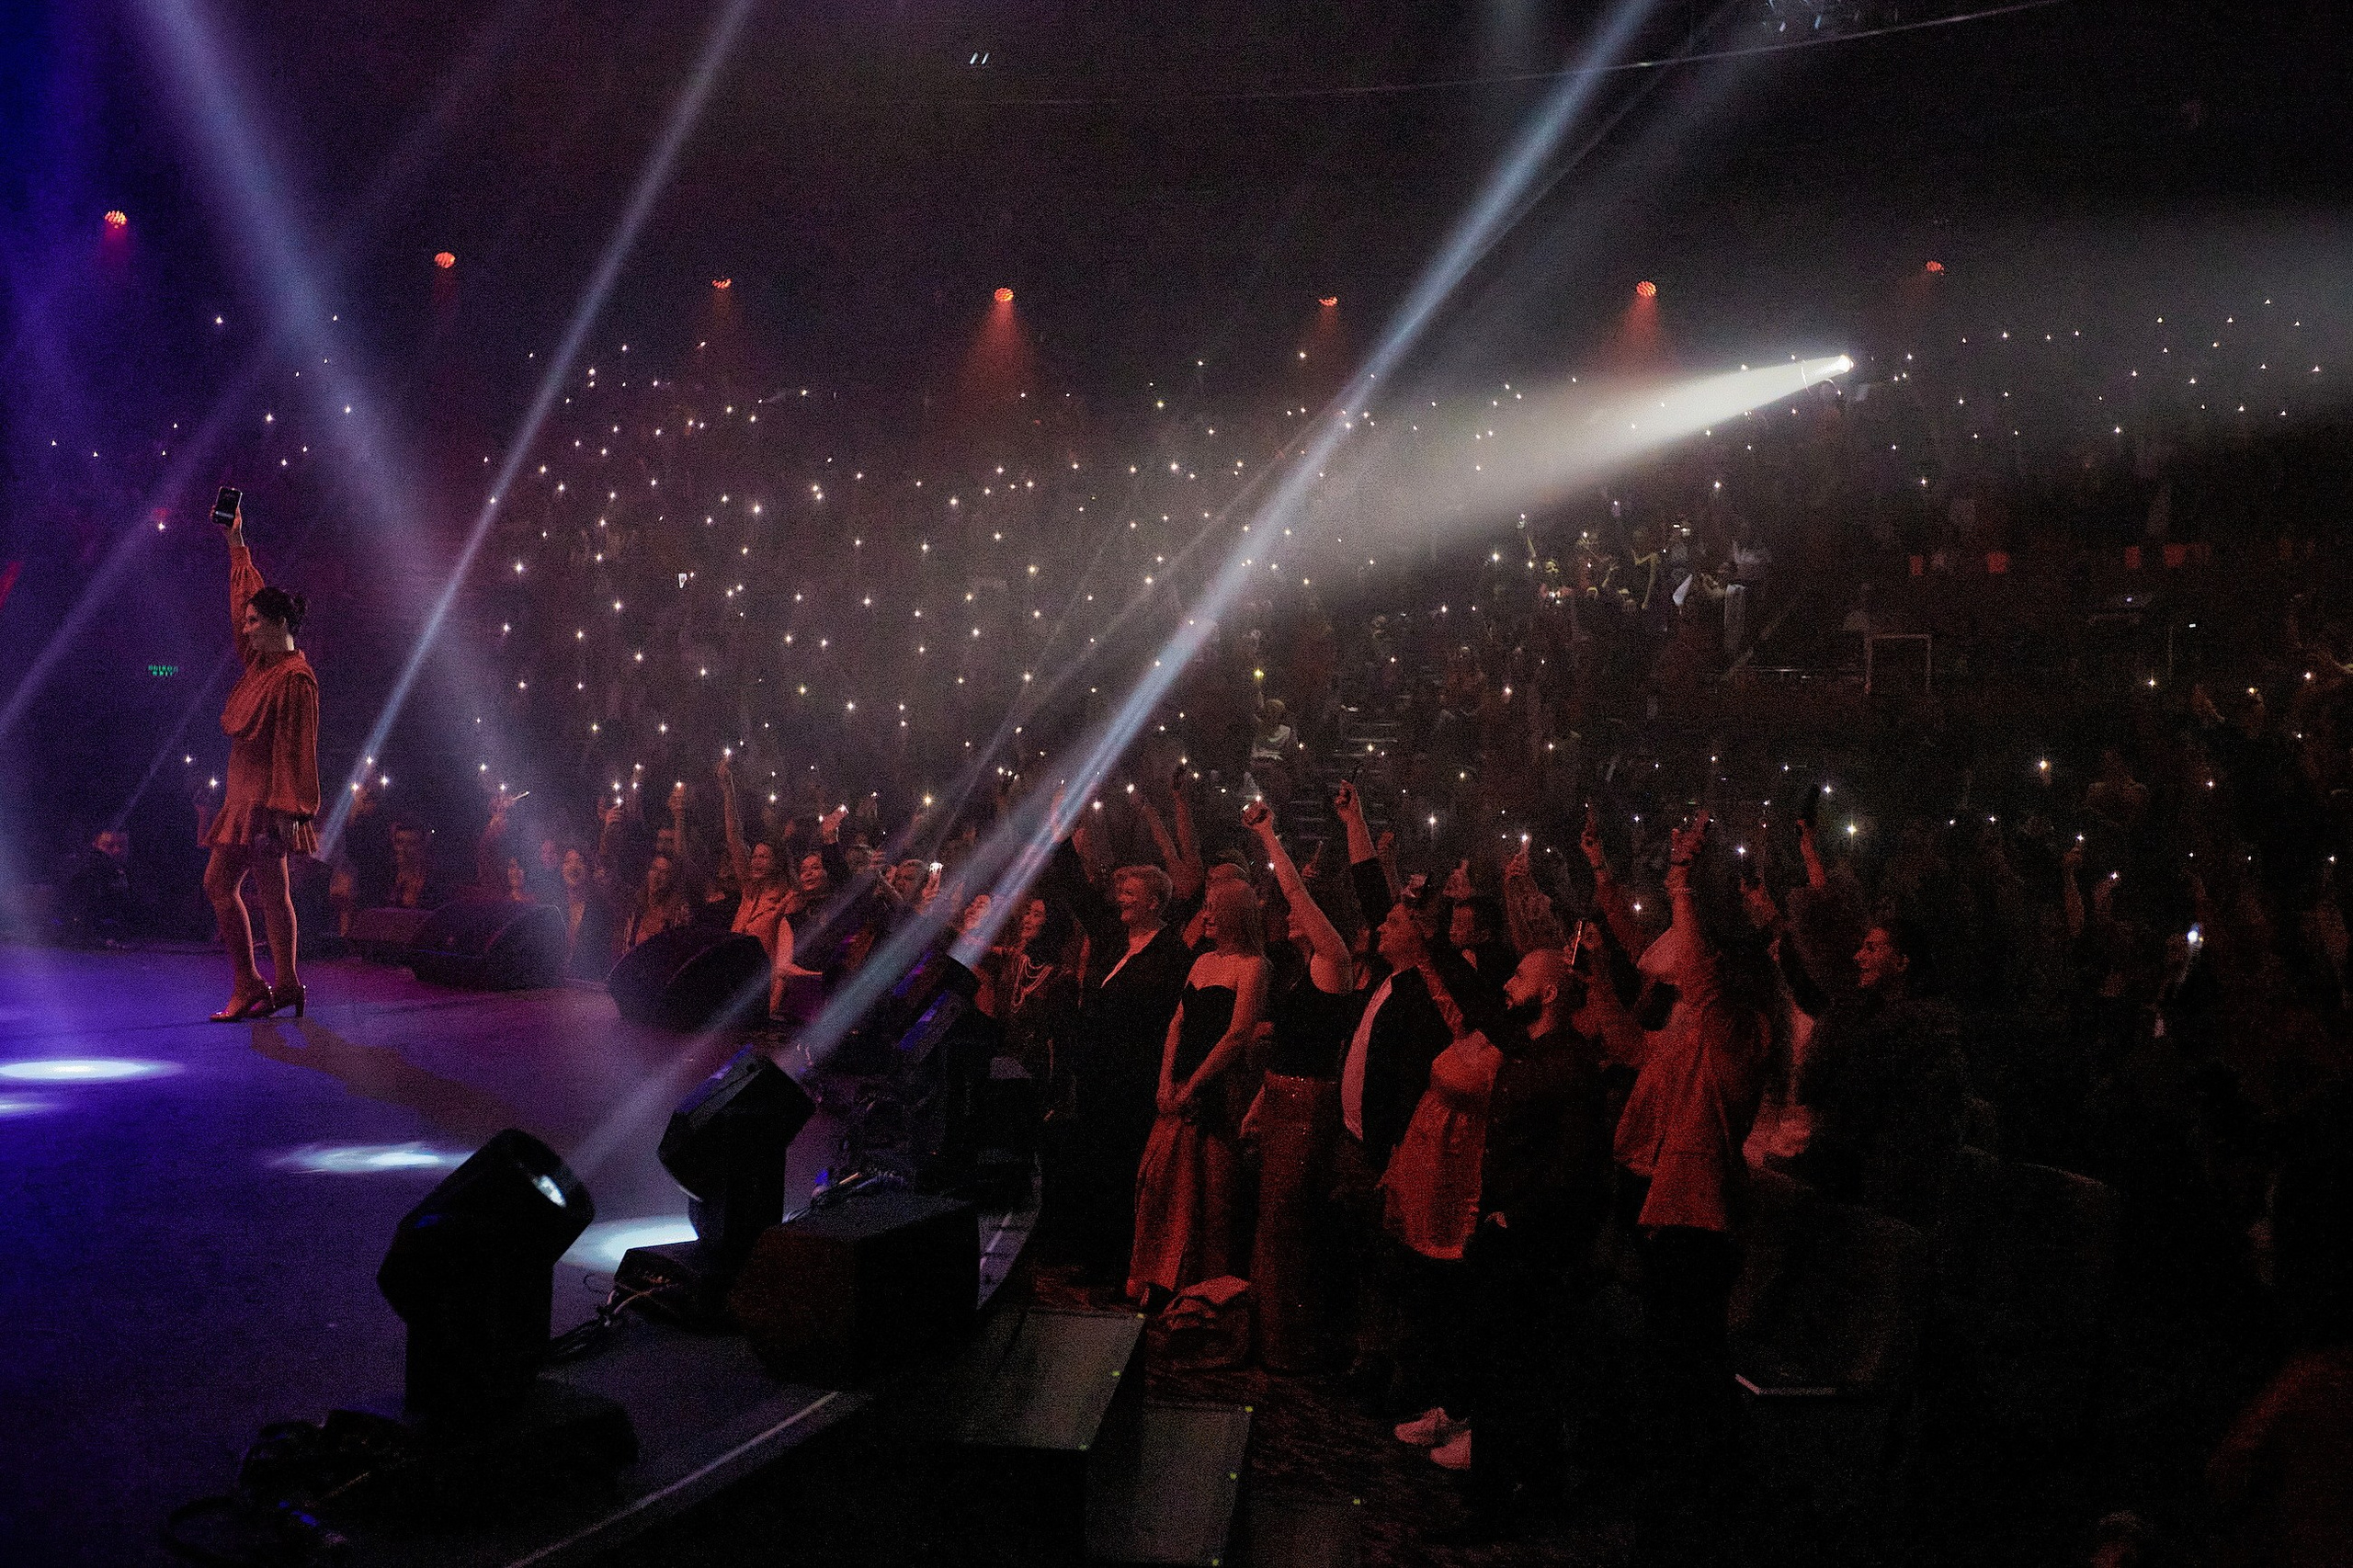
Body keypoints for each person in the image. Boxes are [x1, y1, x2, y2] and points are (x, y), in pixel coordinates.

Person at [1040, 823, 1194, 1288]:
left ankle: (1119, 1266)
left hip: (1136, 1080)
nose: (1121, 898)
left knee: (1122, 1172)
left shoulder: (1172, 953)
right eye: (1121, 891)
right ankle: (1090, 1257)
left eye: (1131, 893)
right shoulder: (1112, 940)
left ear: (1154, 902)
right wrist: (1061, 838)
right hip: (1095, 1078)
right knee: (1092, 1165)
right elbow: (1078, 894)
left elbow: (1175, 1022)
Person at [1241, 799, 1355, 1369]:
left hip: (1309, 1105)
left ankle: (1294, 1348)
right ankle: (1271, 1339)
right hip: (1282, 1096)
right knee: (1272, 1219)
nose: (1288, 914)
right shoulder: (1299, 965)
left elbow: (1294, 892)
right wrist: (1260, 1100)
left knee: (1289, 1224)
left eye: (1302, 909)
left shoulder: (1335, 961)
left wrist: (1269, 835)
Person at [200, 505, 320, 1022]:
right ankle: (281, 984)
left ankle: (257, 983)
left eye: (255, 622)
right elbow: (240, 599)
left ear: (276, 624)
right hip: (247, 797)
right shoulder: (262, 662)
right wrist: (237, 541)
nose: (245, 629)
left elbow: (297, 750)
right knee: (268, 892)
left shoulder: (294, 676)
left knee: (236, 887)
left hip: (265, 802)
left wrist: (288, 812)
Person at [1129, 876, 1270, 1301]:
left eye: (1212, 907)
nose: (1205, 915)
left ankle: (1201, 1294)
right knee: (1162, 1186)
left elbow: (1238, 1034)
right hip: (1180, 1087)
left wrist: (1193, 1085)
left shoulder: (1254, 966)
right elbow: (1177, 1023)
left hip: (1219, 1092)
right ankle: (1161, 1279)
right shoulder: (1202, 961)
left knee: (1210, 1199)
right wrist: (1165, 1080)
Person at [715, 754, 806, 1015]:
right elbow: (734, 836)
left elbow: (782, 960)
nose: (755, 861)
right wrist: (727, 788)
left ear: (777, 862)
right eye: (754, 856)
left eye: (763, 857)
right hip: (727, 983)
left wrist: (772, 1009)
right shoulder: (749, 891)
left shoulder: (788, 897)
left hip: (758, 991)